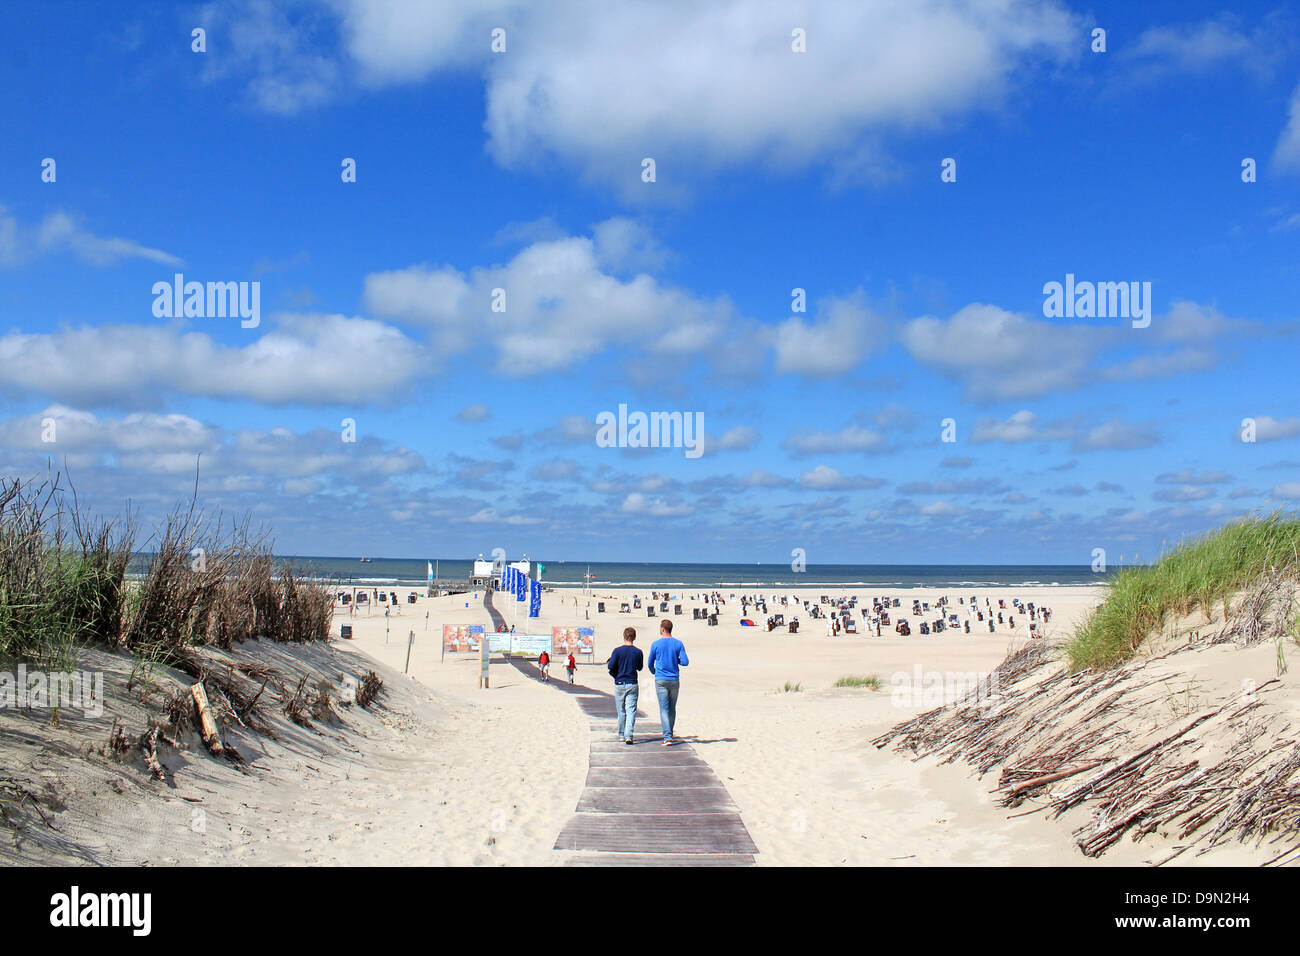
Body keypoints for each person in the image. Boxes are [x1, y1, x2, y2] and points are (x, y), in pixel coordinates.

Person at [647, 619, 689, 746]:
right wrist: (677, 661)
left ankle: (668, 736)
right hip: (674, 678)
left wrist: (653, 671)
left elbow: (649, 662)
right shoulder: (678, 643)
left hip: (661, 678)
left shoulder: (656, 644)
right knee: (671, 708)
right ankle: (669, 733)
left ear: (662, 629)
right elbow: (685, 662)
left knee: (664, 708)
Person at [607, 627, 643, 745]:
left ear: (624, 636)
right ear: (634, 637)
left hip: (620, 682)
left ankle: (622, 734)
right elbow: (640, 667)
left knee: (621, 710)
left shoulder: (617, 651)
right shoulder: (638, 652)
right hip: (632, 682)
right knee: (631, 710)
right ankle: (629, 734)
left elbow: (611, 666)